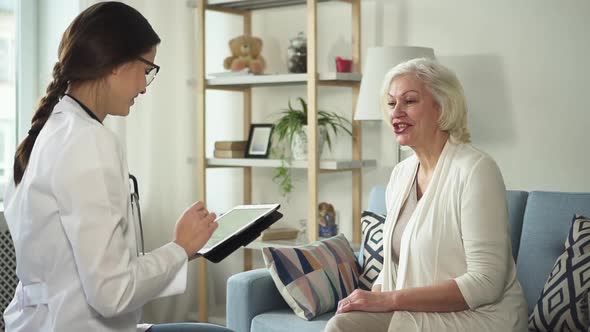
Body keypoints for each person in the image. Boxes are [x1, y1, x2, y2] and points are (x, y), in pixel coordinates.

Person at [2, 2, 225, 332]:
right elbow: (112, 294)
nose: (144, 87)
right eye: (147, 69)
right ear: (115, 63)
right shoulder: (88, 141)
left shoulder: (49, 130)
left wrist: (183, 250)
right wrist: (180, 248)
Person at [324, 58, 528, 331]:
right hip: (415, 310)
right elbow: (392, 268)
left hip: (478, 318)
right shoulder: (400, 175)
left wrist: (388, 300)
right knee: (344, 322)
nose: (397, 112)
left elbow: (486, 283)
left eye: (409, 101)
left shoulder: (476, 170)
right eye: (391, 103)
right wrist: (372, 298)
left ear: (441, 106)